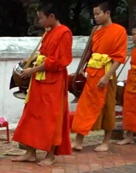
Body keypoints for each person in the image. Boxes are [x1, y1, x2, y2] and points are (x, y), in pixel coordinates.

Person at [12, 2, 72, 166]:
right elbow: (43, 54)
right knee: (32, 115)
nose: (39, 22)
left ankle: (50, 155)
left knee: (50, 118)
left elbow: (60, 61)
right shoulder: (48, 32)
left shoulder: (64, 33)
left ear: (52, 17)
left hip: (53, 82)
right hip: (39, 80)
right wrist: (29, 62)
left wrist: (32, 70)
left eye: (41, 18)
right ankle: (30, 152)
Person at [72, 1, 127, 152]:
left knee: (108, 107)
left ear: (107, 13)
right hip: (92, 74)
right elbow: (91, 53)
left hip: (107, 75)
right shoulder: (96, 31)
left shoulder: (119, 31)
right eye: (94, 14)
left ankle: (106, 141)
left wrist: (106, 76)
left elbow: (119, 58)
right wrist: (84, 68)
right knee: (84, 106)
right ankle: (78, 141)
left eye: (98, 13)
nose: (95, 17)